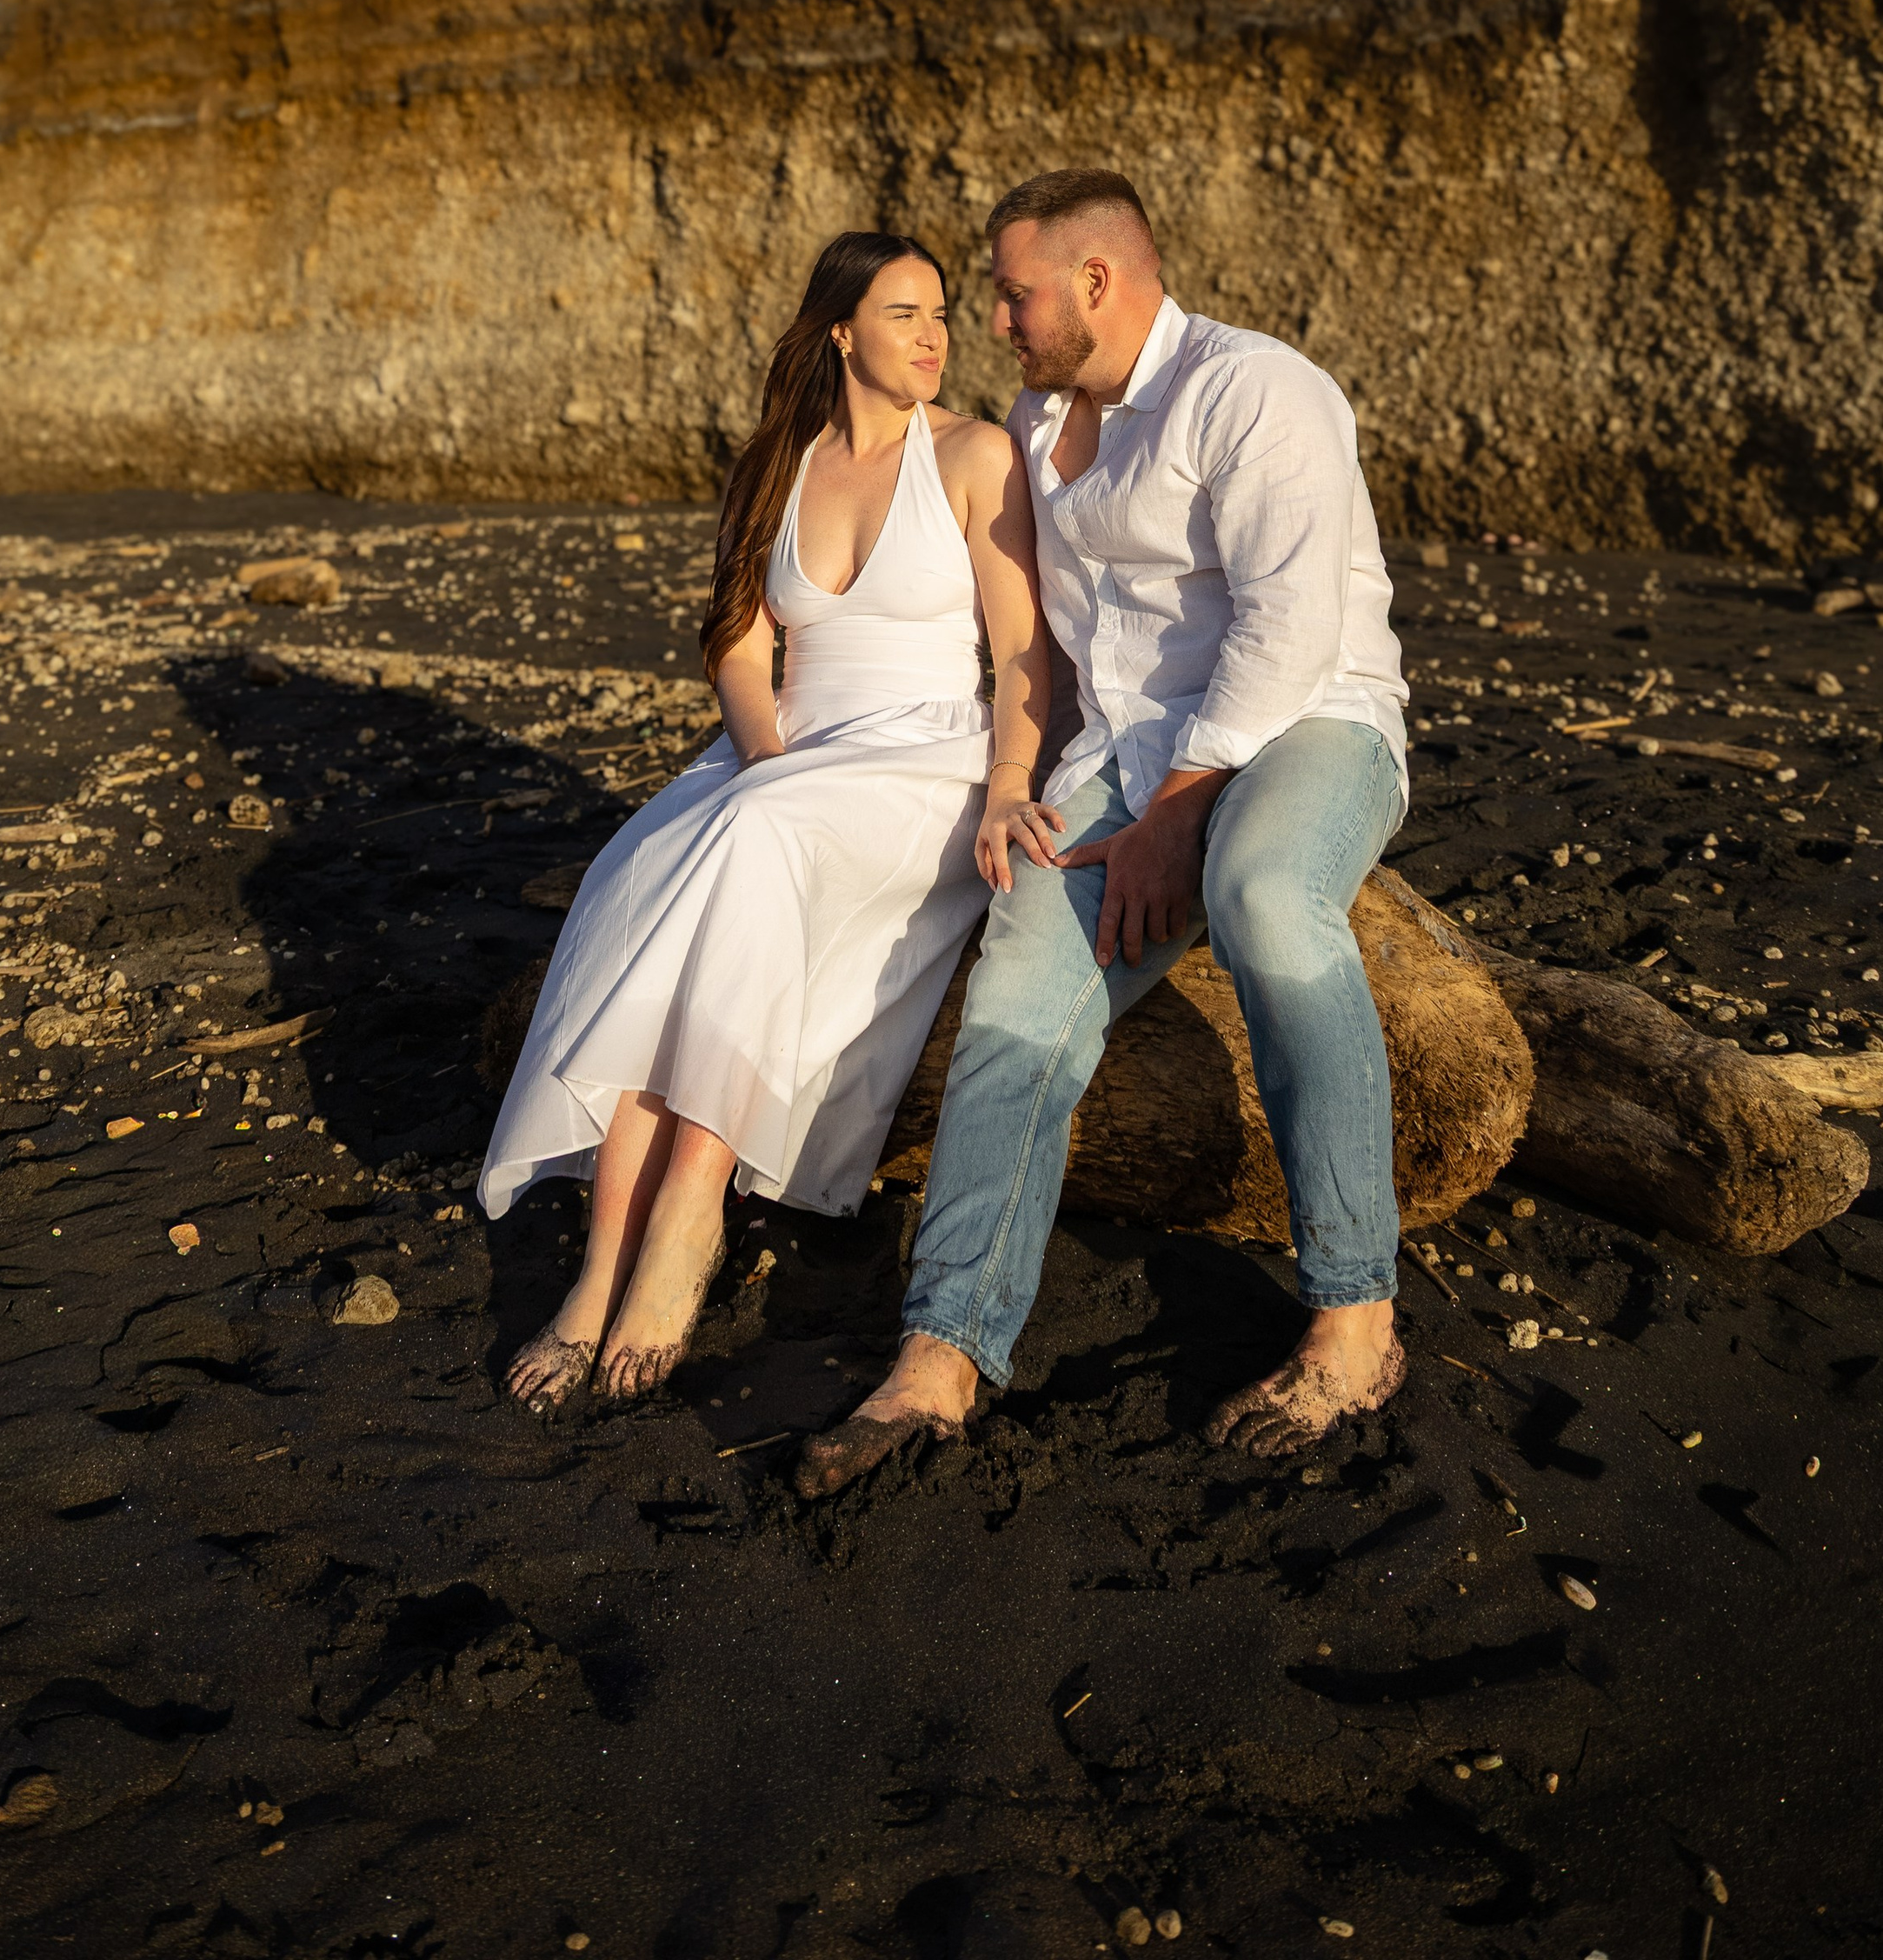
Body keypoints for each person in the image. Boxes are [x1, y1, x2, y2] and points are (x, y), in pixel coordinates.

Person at [799, 165, 1411, 1493]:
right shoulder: (1036, 422)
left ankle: (1356, 1316)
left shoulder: (1257, 389)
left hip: (1312, 720)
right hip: (1121, 754)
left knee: (1259, 892)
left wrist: (1179, 813)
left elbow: (1287, 629)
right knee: (1020, 963)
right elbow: (1046, 649)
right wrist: (1026, 784)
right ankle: (943, 1349)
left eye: (1014, 294)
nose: (996, 321)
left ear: (1096, 280)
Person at [480, 228, 1059, 1408]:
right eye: (906, 312)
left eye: (943, 310)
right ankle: (597, 1274)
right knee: (646, 868)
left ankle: (690, 1206)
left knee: (748, 846)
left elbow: (1020, 651)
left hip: (924, 761)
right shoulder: (774, 468)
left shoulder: (973, 456)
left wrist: (1010, 780)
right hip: (789, 752)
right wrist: (767, 757)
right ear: (842, 329)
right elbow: (741, 646)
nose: (938, 332)